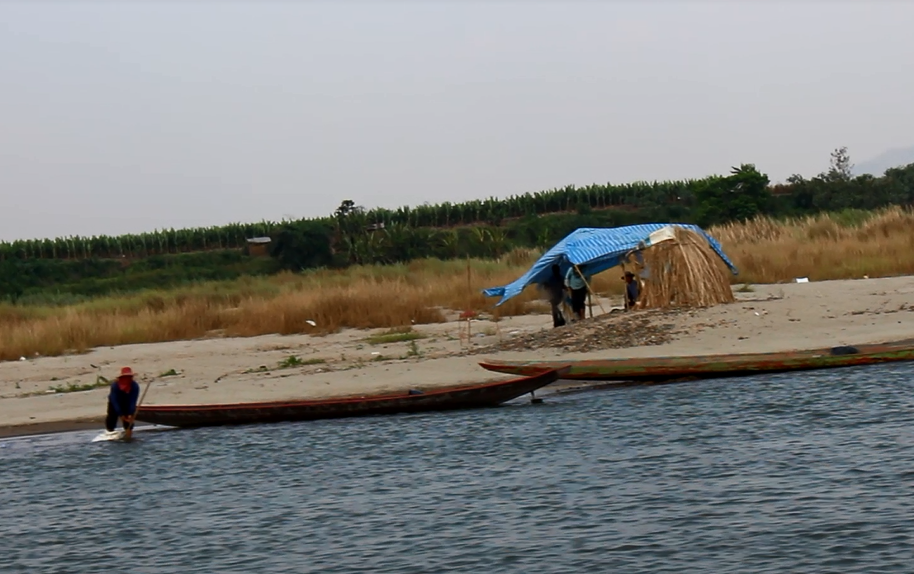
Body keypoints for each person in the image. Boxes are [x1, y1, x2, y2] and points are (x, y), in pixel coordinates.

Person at [106, 366, 140, 433]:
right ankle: (110, 431)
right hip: (114, 402)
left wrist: (130, 413)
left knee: (129, 421)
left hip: (127, 402)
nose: (127, 379)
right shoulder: (115, 385)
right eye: (125, 377)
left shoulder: (134, 386)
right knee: (112, 417)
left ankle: (128, 432)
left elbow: (133, 400)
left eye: (129, 377)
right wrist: (120, 414)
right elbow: (114, 400)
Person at [542, 264, 566, 328]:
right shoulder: (561, 277)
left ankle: (556, 323)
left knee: (555, 310)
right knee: (560, 309)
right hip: (559, 296)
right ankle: (561, 321)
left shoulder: (551, 279)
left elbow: (548, 287)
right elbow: (564, 286)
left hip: (554, 297)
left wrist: (545, 285)